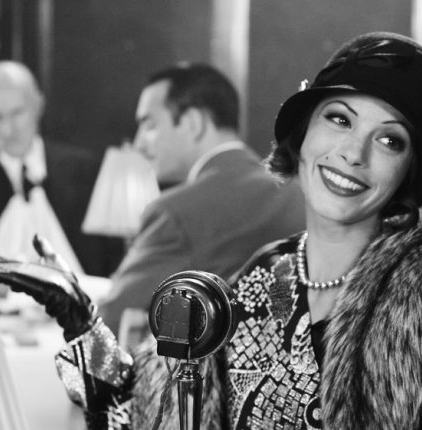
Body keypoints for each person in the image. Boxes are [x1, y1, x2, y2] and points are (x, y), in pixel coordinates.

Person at [0, 32, 422, 430]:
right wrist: (80, 320)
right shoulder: (262, 278)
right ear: (304, 133)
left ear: (406, 172)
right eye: (339, 119)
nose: (353, 153)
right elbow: (146, 415)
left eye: (389, 140)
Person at [97, 64, 306, 333]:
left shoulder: (173, 212)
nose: (139, 143)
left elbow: (110, 324)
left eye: (149, 125)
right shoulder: (300, 194)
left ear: (193, 123)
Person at [0, 60, 121, 277]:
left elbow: (114, 257)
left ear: (38, 104)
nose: (8, 129)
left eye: (17, 113)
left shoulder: (86, 171)